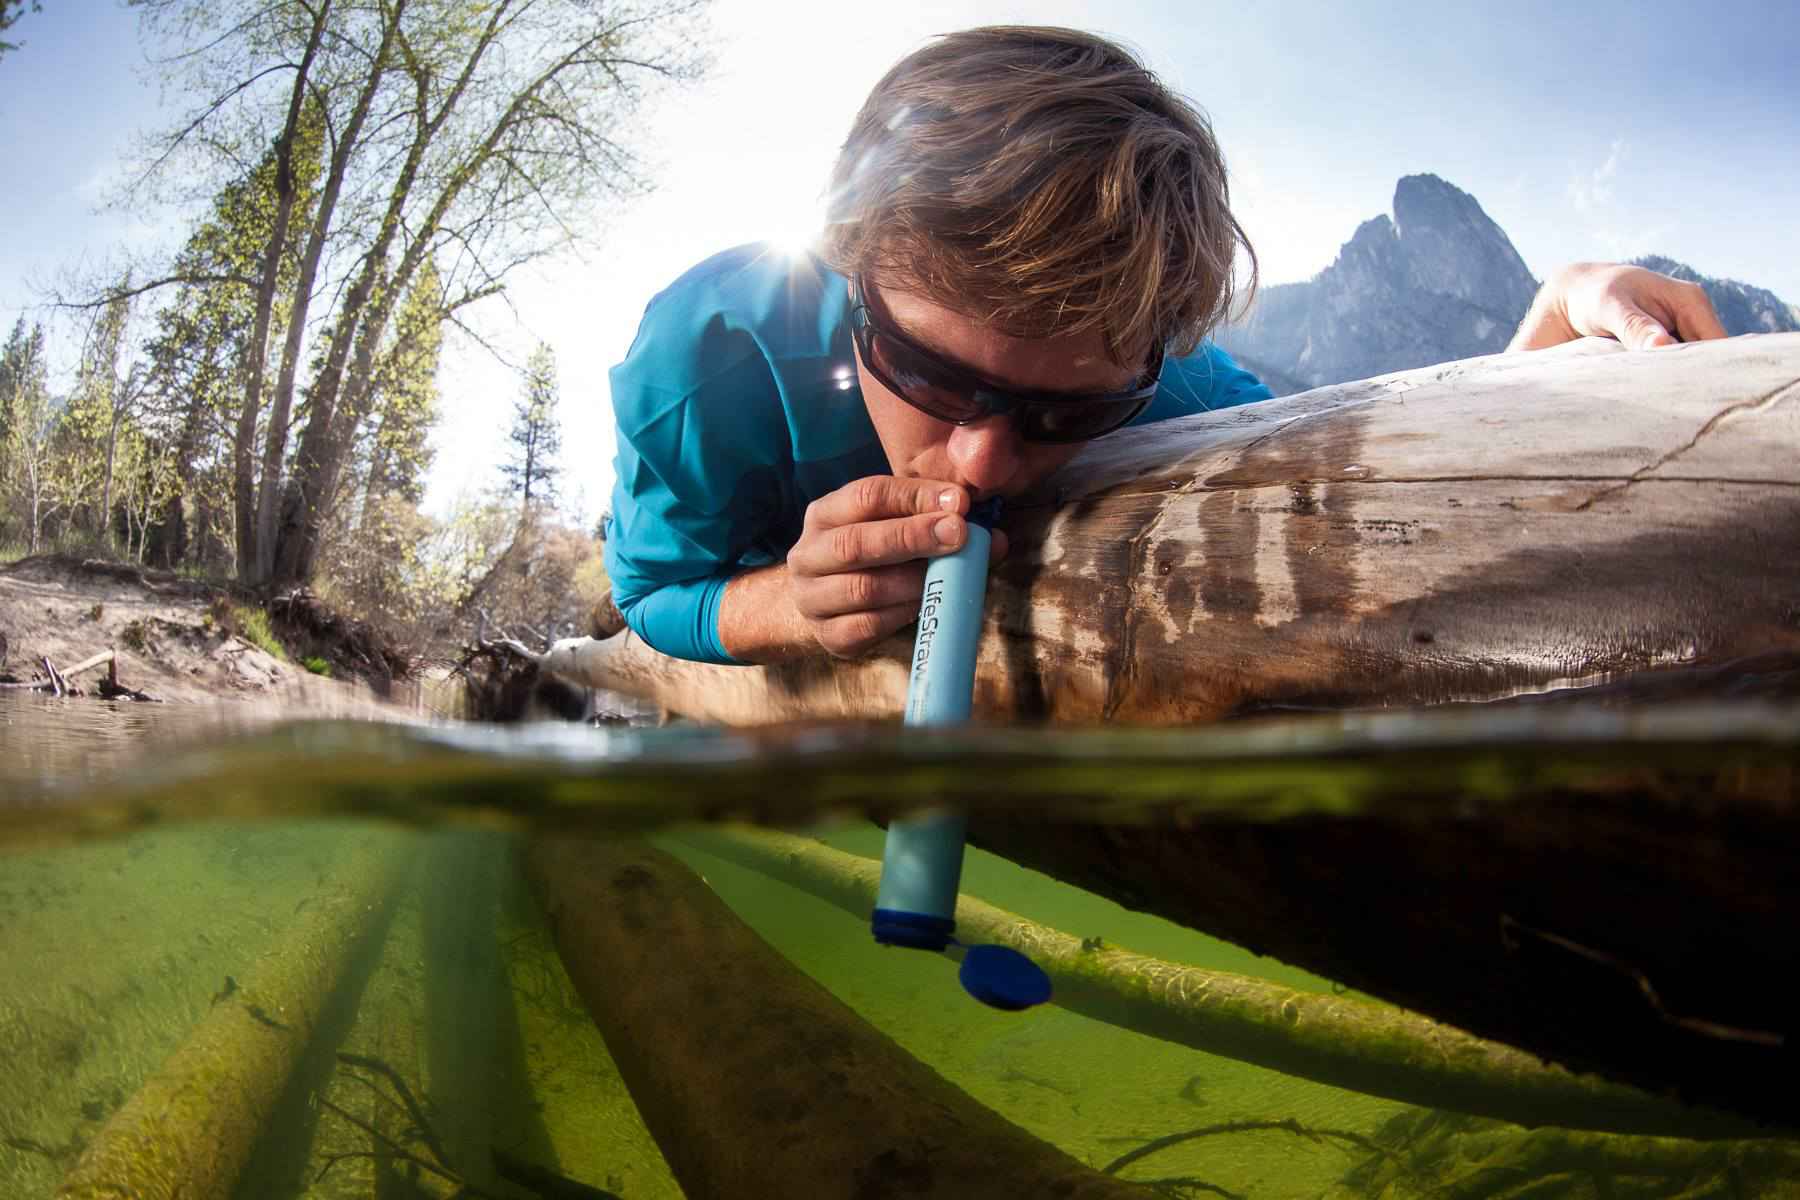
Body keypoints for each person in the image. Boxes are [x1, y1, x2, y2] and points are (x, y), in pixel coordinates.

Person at [603, 26, 1727, 667]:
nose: (986, 462)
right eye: (933, 376)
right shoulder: (704, 361)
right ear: (849, 258)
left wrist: (1549, 326)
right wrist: (784, 607)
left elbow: (1363, 447)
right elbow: (652, 588)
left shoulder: (1163, 383)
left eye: (1063, 416)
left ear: (1144, 361)